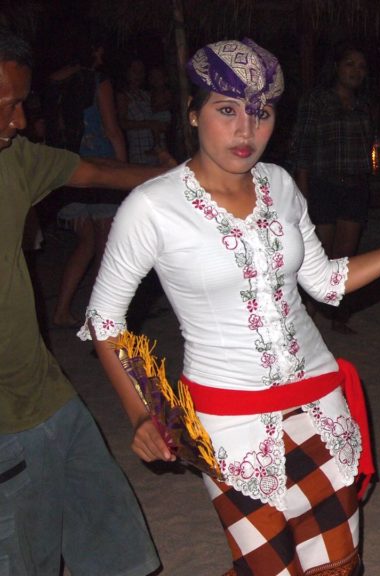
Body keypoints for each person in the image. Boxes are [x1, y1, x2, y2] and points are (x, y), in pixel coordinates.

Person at [80, 39, 380, 575]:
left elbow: (327, 282)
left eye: (260, 112)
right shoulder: (152, 207)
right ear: (193, 114)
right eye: (227, 110)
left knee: (335, 564)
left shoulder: (281, 185)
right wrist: (143, 412)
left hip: (319, 400)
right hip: (227, 420)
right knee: (269, 568)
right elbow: (105, 320)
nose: (246, 129)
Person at [0, 27, 173, 576]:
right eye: (6, 105)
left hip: (53, 398)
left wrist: (173, 179)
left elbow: (95, 171)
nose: (20, 120)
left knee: (121, 557)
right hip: (5, 429)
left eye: (22, 103)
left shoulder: (16, 160)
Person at [291, 43, 375, 333]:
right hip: (323, 184)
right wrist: (302, 186)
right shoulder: (316, 100)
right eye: (350, 63)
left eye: (361, 67)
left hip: (355, 186)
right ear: (337, 66)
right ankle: (309, 314)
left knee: (345, 256)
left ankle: (337, 314)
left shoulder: (363, 105)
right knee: (319, 254)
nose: (356, 71)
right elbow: (302, 144)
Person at [49, 38, 128, 327]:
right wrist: (123, 172)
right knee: (103, 244)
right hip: (100, 169)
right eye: (99, 45)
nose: (102, 50)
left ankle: (62, 310)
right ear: (91, 49)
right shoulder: (97, 81)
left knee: (86, 242)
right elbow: (112, 129)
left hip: (65, 168)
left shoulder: (53, 82)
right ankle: (100, 316)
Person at [117, 58, 166, 166]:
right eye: (134, 71)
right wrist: (148, 124)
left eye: (141, 71)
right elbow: (122, 123)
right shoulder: (123, 96)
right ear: (127, 73)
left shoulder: (147, 95)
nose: (138, 75)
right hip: (140, 153)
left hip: (158, 152)